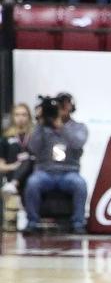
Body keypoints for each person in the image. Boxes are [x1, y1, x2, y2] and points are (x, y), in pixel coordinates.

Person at [22, 95, 89, 235]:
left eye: (65, 106)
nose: (62, 109)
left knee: (80, 184)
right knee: (33, 183)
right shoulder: (42, 128)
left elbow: (77, 143)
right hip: (45, 172)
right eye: (59, 106)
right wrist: (40, 123)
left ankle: (78, 223)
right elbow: (33, 147)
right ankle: (32, 222)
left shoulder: (79, 127)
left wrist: (61, 127)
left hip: (69, 172)